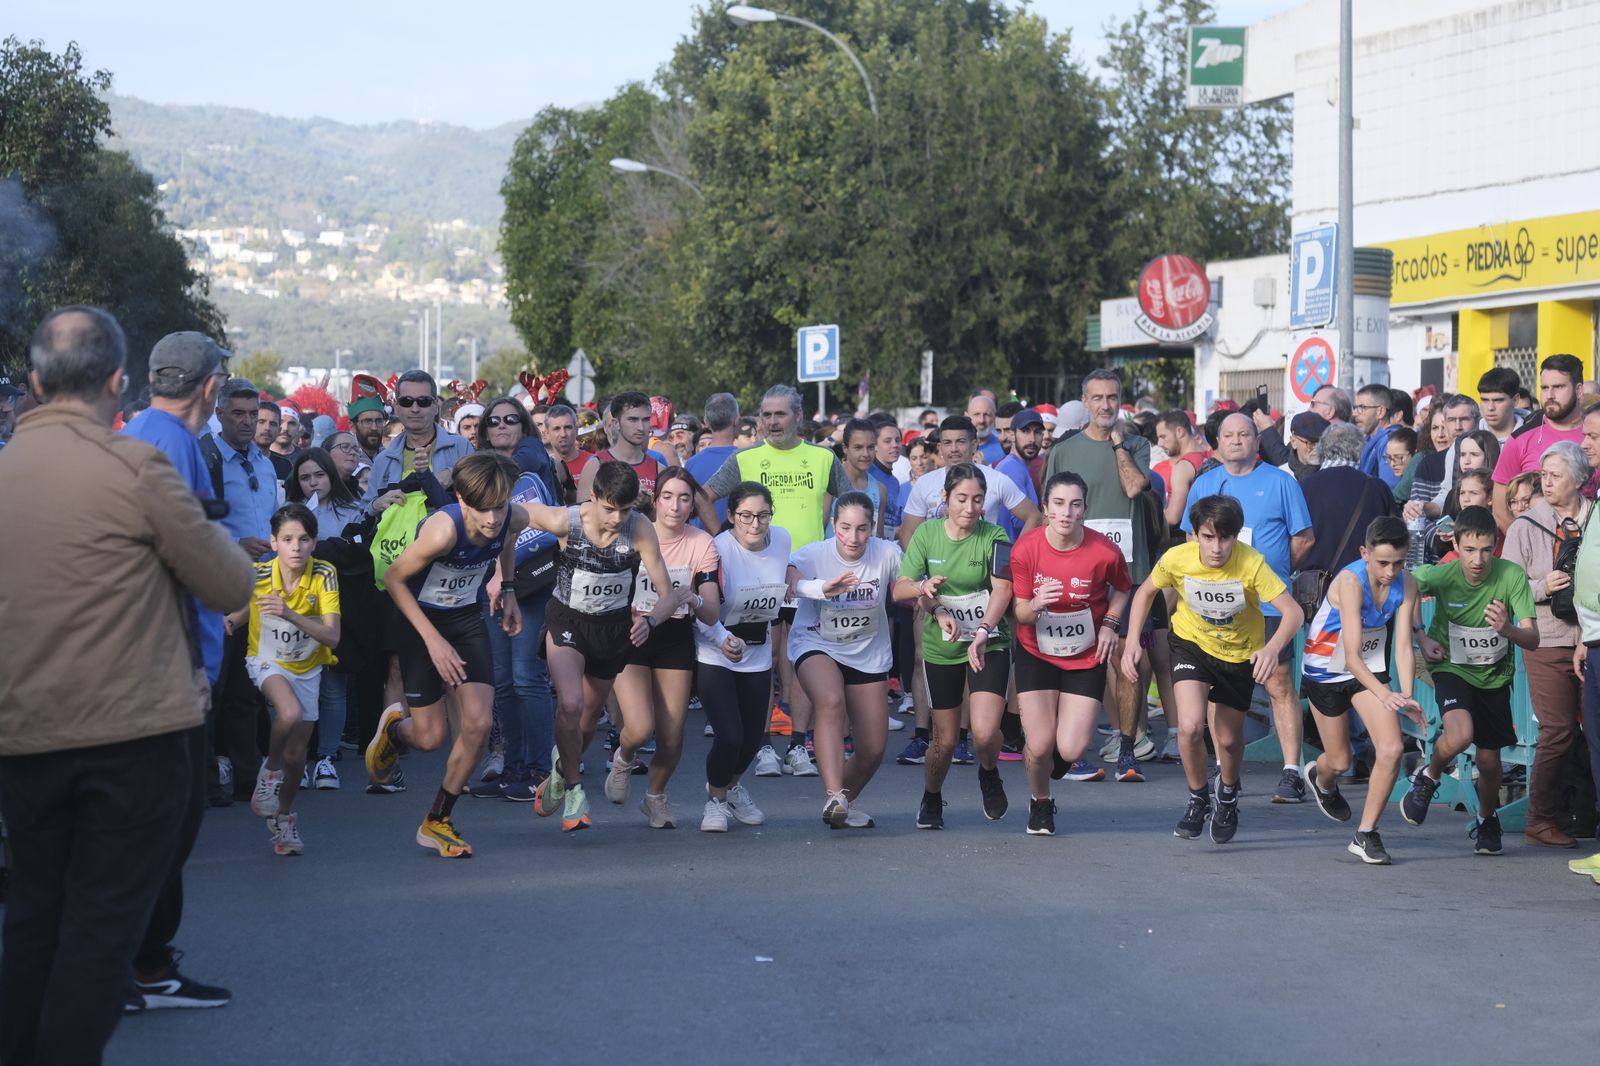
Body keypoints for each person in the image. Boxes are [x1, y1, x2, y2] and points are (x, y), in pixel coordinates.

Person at [0, 306, 253, 1064]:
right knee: (101, 927)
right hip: (130, 734)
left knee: (34, 913)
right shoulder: (136, 468)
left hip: (21, 733)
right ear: (117, 381)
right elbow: (229, 579)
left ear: (37, 382)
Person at [363, 453, 529, 856]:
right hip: (417, 620)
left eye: (499, 507)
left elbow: (506, 540)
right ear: (461, 499)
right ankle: (394, 732)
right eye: (482, 510)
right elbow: (393, 579)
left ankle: (437, 820)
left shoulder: (513, 517)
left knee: (478, 724)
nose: (491, 519)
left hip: (465, 618)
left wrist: (508, 590)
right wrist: (432, 642)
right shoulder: (443, 531)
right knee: (430, 738)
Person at [1122, 495, 1305, 844]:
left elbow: (1293, 612)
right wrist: (1132, 640)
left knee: (1228, 739)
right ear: (1194, 536)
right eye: (1208, 537)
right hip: (1191, 643)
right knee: (1190, 726)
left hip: (1237, 655)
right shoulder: (1177, 558)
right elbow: (1145, 592)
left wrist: (1270, 648)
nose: (1217, 547)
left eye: (1225, 537)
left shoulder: (1251, 563)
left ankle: (1229, 792)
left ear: (1236, 536)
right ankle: (1197, 797)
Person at [698, 385, 856, 773]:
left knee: (800, 658)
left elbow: (851, 502)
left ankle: (798, 745)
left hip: (806, 575)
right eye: (766, 414)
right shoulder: (746, 457)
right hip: (756, 574)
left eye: (780, 414)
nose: (772, 422)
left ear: (798, 416)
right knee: (765, 656)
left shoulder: (822, 458)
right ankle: (765, 743)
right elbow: (704, 494)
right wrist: (719, 538)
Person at [522, 460, 687, 831]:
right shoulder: (567, 521)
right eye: (609, 508)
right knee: (570, 702)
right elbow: (513, 516)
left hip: (610, 631)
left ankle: (562, 769)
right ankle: (576, 793)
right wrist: (503, 580)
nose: (616, 518)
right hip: (566, 620)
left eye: (624, 510)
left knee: (584, 724)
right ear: (593, 497)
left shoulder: (640, 529)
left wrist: (651, 620)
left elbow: (668, 596)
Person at [1180, 413, 1315, 799]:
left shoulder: (1281, 481)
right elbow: (1193, 542)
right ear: (1216, 443)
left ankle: (1291, 770)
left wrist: (1264, 574)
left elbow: (1303, 538)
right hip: (1216, 602)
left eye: (1244, 434)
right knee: (1213, 686)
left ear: (1258, 440)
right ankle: (1224, 768)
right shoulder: (1205, 484)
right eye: (1229, 435)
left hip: (1267, 606)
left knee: (1278, 683)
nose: (1237, 440)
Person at [1399, 505, 1539, 855]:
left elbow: (1533, 639)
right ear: (1456, 546)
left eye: (1487, 550)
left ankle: (1487, 820)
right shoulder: (1444, 575)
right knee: (1460, 734)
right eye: (1470, 550)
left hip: (1493, 676)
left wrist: (1506, 629)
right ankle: (1430, 775)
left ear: (1496, 547)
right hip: (1451, 667)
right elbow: (1408, 583)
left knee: (1490, 763)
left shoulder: (1511, 577)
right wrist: (1421, 634)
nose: (1478, 559)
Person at [1044, 371, 1159, 774]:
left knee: (1126, 658)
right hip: (1074, 570)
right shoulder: (1064, 450)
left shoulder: (1138, 445)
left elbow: (1133, 487)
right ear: (1085, 401)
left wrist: (1117, 445)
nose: (1105, 405)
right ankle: (1071, 749)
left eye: (1112, 397)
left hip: (1126, 573)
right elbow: (1050, 512)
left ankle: (1128, 747)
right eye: (1097, 398)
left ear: (1121, 400)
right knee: (1071, 655)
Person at [1008, 472, 1132, 835]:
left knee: (1073, 749)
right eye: (1058, 504)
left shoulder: (1104, 551)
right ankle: (1040, 801)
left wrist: (1110, 622)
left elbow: (1123, 589)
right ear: (1045, 509)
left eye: (1074, 505)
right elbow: (1019, 613)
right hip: (1037, 651)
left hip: (1084, 654)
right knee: (1041, 743)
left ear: (1085, 511)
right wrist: (1034, 604)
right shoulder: (1026, 549)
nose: (1066, 513)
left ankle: (1048, 765)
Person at [894, 464, 1015, 829]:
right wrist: (925, 592)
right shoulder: (928, 534)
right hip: (942, 644)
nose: (970, 507)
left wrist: (981, 630)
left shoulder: (994, 534)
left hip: (988, 641)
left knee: (982, 732)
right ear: (944, 498)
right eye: (961, 498)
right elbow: (900, 588)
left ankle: (989, 771)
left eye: (978, 500)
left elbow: (1004, 589)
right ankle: (931, 796)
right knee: (944, 742)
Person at [1299, 516, 1424, 864]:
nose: (1390, 571)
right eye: (1383, 562)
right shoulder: (1351, 582)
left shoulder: (1406, 584)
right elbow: (1351, 657)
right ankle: (1320, 777)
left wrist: (1406, 695)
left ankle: (1366, 834)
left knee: (1392, 747)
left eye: (1398, 563)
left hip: (1366, 672)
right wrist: (1386, 695)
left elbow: (1402, 646)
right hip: (1327, 670)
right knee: (1340, 761)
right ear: (1364, 553)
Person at [606, 468, 721, 827]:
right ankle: (624, 757)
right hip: (632, 633)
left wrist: (693, 600)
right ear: (655, 500)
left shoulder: (701, 543)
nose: (675, 505)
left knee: (671, 737)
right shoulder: (631, 530)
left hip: (674, 637)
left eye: (684, 498)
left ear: (693, 505)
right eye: (668, 496)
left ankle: (655, 796)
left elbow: (712, 611)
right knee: (640, 728)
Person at [789, 491, 903, 829]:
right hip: (816, 642)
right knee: (830, 700)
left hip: (867, 653)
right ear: (833, 526)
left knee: (872, 749)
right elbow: (791, 582)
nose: (853, 538)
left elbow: (908, 583)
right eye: (845, 528)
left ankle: (843, 805)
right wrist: (823, 588)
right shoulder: (813, 554)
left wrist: (929, 597)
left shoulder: (887, 552)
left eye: (862, 529)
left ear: (872, 528)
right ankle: (835, 794)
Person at [233, 503, 342, 855]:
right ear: (273, 542)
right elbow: (243, 608)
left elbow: (332, 636)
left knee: (298, 757)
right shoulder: (260, 574)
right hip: (266, 660)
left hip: (308, 667)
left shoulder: (324, 573)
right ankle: (269, 771)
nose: (296, 547)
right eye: (288, 539)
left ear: (314, 542)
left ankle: (283, 818)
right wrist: (229, 622)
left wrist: (290, 614)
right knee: (288, 713)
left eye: (304, 539)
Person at [1499, 441, 1590, 847]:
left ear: (1579, 480)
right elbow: (1507, 588)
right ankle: (1541, 816)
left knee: (1593, 732)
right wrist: (1541, 586)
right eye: (1543, 476)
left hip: (1592, 638)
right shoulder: (1525, 526)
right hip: (1549, 641)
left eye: (1555, 476)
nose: (1546, 483)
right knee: (1557, 730)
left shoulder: (1596, 519)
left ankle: (1585, 813)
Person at [472, 396, 562, 801]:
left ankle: (541, 770)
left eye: (512, 419)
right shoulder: (476, 474)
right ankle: (512, 769)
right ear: (485, 429)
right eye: (494, 421)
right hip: (487, 587)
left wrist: (502, 579)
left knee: (528, 678)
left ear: (524, 426)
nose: (503, 425)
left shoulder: (532, 469)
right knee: (504, 683)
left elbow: (538, 531)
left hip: (530, 587)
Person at [696, 483, 789, 831]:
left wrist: (798, 574)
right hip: (715, 654)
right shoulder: (718, 549)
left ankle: (731, 787)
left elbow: (787, 569)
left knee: (752, 740)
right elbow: (701, 610)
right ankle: (715, 801)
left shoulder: (782, 540)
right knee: (729, 735)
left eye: (762, 515)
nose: (755, 524)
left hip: (758, 654)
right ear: (732, 516)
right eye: (746, 516)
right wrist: (721, 640)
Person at [284, 447, 369, 790]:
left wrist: (322, 550)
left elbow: (354, 553)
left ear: (331, 476)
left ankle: (327, 758)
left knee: (333, 688)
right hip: (298, 611)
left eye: (318, 475)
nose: (313, 483)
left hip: (337, 609)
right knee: (298, 687)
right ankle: (298, 759)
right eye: (305, 478)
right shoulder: (288, 513)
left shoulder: (353, 509)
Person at [1493, 354, 1586, 529]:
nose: (1549, 395)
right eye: (1544, 388)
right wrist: (1527, 546)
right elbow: (1500, 509)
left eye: (1558, 387)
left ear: (1579, 390)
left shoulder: (1593, 435)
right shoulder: (1520, 438)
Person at [1298, 422, 1397, 576]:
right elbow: (1395, 538)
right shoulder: (1378, 488)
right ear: (1359, 450)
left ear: (1322, 449)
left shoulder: (1304, 487)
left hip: (1315, 588)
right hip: (1366, 582)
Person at [578, 391, 666, 515]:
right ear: (616, 423)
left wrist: (647, 505)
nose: (641, 427)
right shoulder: (595, 466)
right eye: (633, 420)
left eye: (646, 420)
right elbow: (582, 518)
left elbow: (667, 525)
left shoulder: (659, 469)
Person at [685, 392, 740, 530]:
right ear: (736, 419)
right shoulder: (744, 459)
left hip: (699, 542)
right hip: (739, 542)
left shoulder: (692, 463)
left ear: (706, 421)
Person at [994, 409, 1044, 542]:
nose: (1032, 439)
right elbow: (1024, 521)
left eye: (1037, 432)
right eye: (1025, 431)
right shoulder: (1012, 468)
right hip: (1010, 553)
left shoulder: (1017, 466)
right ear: (1012, 435)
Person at [1155, 410, 1210, 530]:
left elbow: (1172, 517)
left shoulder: (1183, 466)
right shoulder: (1210, 456)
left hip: (1187, 536)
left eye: (1163, 436)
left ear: (1179, 431)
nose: (1159, 443)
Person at [1354, 384, 1401, 486]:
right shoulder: (1369, 440)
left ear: (1380, 411)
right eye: (1355, 408)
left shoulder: (1390, 442)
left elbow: (1389, 488)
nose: (1355, 414)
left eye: (1362, 407)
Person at [966, 392, 1003, 465]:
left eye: (987, 415)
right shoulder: (955, 446)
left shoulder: (1004, 446)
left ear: (995, 416)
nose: (981, 420)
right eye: (976, 414)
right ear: (966, 415)